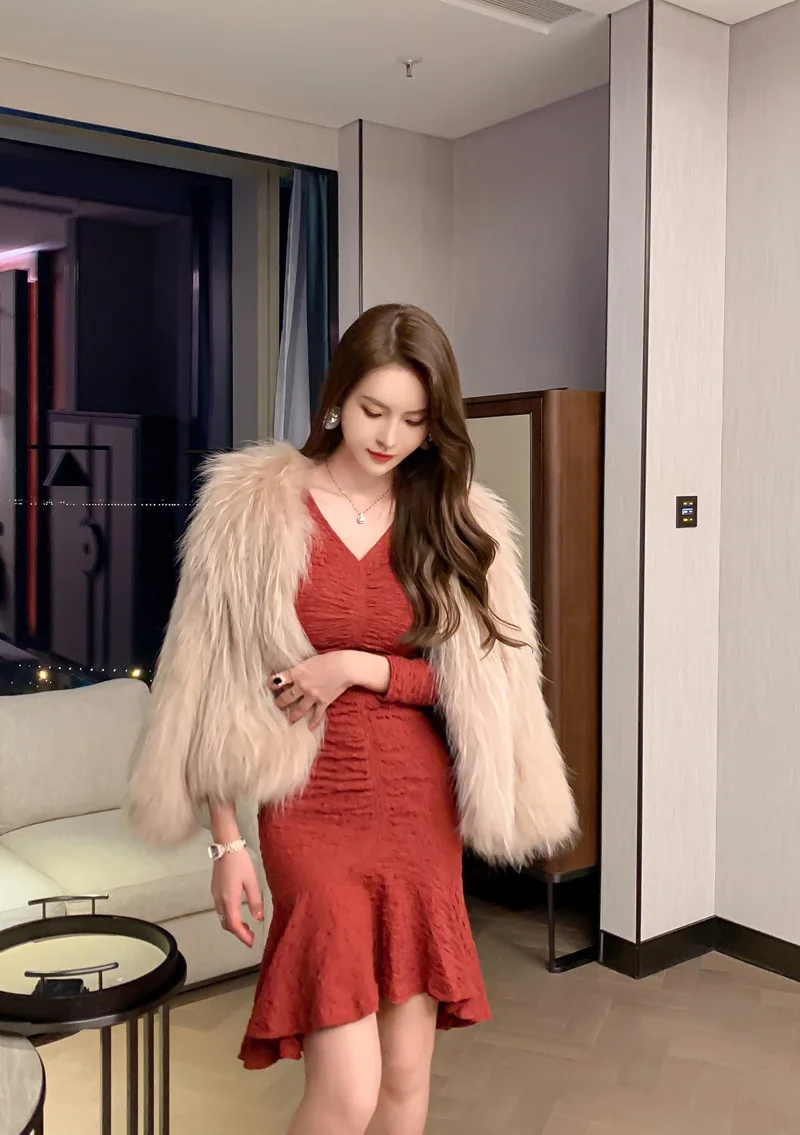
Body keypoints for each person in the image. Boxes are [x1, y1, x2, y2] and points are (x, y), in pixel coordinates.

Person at [127, 303, 577, 1135]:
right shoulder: (252, 508)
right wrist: (226, 842)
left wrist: (363, 668)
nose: (390, 436)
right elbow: (204, 687)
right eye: (374, 410)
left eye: (414, 419)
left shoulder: (458, 516)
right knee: (347, 1091)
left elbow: (485, 685)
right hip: (309, 806)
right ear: (337, 397)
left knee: (404, 1080)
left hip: (417, 807)